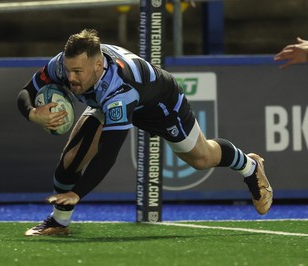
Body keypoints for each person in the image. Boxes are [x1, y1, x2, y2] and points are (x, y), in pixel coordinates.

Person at [17, 29, 273, 236]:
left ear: (97, 66)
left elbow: (108, 153)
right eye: (68, 69)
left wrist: (77, 193)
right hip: (105, 104)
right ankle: (59, 223)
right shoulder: (62, 65)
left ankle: (250, 166)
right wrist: (33, 113)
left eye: (77, 72)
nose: (70, 78)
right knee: (71, 158)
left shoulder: (119, 91)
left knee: (201, 158)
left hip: (160, 104)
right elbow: (26, 91)